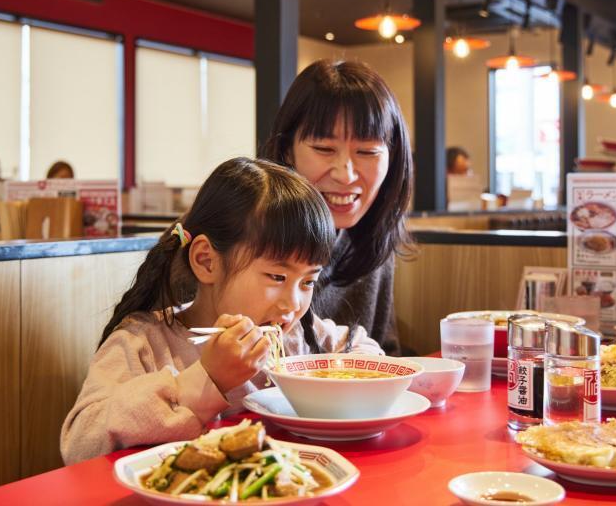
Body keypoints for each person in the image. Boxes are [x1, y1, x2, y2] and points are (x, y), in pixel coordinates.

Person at [60, 157, 381, 464]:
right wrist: (204, 379)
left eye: (308, 282)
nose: (293, 303)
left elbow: (366, 353)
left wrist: (329, 383)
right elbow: (80, 443)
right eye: (277, 277)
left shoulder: (297, 337)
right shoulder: (143, 343)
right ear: (206, 261)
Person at [263, 60, 414, 357]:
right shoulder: (243, 233)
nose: (345, 175)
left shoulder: (369, 239)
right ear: (286, 151)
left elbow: (385, 353)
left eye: (367, 151)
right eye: (324, 149)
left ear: (391, 157)